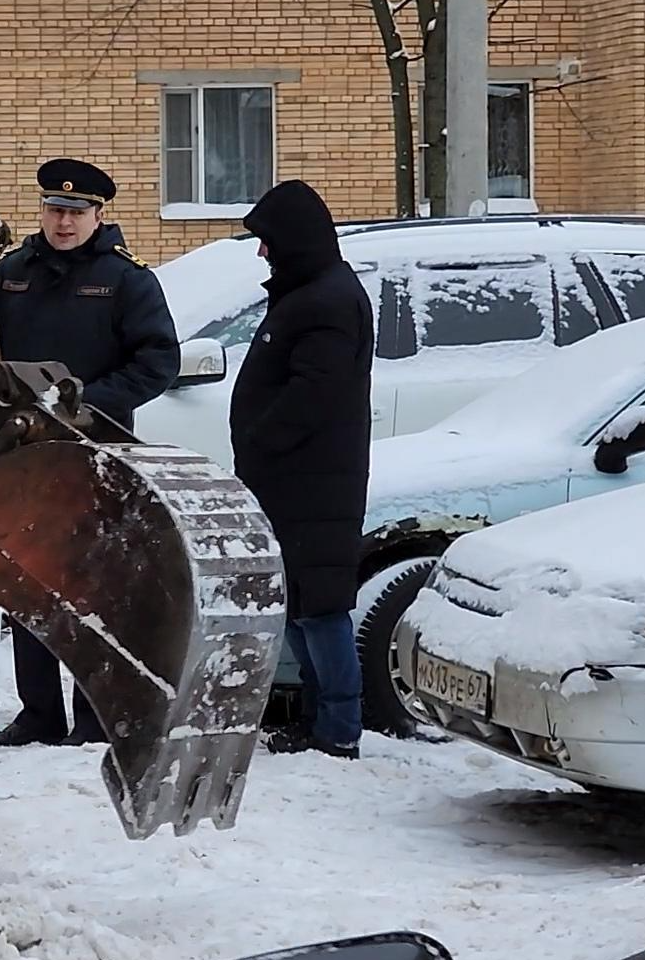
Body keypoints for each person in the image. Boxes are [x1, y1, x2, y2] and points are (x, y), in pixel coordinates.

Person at [0, 158, 180, 748]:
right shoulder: (11, 274)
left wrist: (86, 403)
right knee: (24, 580)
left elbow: (157, 361)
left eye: (76, 212)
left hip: (96, 450)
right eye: (54, 210)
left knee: (93, 587)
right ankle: (37, 712)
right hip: (22, 451)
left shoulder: (127, 281)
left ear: (99, 215)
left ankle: (93, 718)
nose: (63, 223)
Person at [227, 180, 373, 761]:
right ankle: (317, 717)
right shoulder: (309, 293)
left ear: (292, 241)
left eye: (266, 241)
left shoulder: (326, 301)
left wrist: (262, 440)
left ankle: (338, 726)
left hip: (312, 478)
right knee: (300, 601)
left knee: (322, 607)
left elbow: (315, 393)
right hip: (294, 478)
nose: (261, 252)